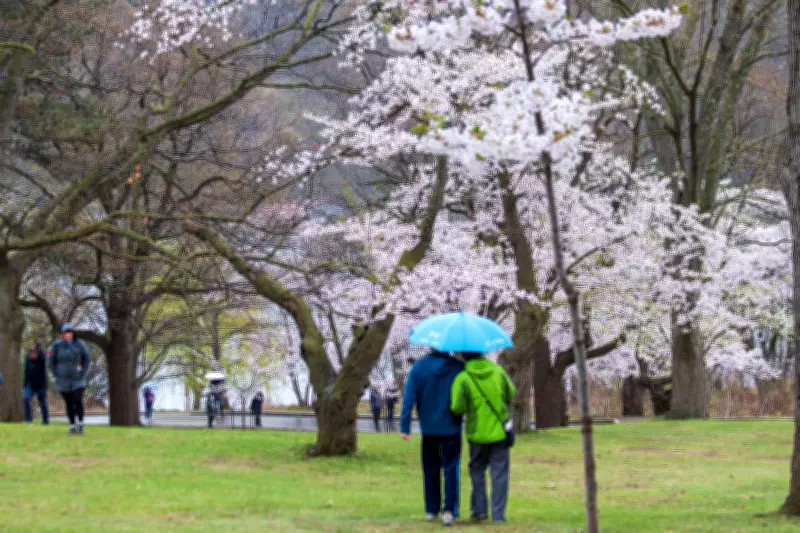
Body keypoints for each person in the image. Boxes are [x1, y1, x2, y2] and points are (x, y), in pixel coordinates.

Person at [450, 351, 517, 524]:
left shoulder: (463, 377)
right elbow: (511, 393)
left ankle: (479, 510)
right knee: (499, 474)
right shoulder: (498, 371)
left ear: (464, 356)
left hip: (476, 433)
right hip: (499, 433)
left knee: (477, 471)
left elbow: (457, 407)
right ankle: (498, 515)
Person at [400, 349, 464, 527]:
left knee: (430, 469)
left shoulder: (419, 367)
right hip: (451, 427)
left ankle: (431, 509)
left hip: (428, 429)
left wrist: (405, 426)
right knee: (451, 469)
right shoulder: (458, 367)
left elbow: (408, 398)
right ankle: (449, 510)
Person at [49, 324, 92, 435]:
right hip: (62, 379)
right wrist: (55, 373)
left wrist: (82, 371)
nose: (68, 335)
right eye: (65, 333)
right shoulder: (57, 346)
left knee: (77, 400)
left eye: (70, 332)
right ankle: (72, 425)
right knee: (68, 403)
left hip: (77, 378)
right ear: (63, 334)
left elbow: (87, 357)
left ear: (73, 333)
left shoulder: (80, 344)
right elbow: (51, 361)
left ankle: (81, 423)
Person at [23, 344, 49, 425]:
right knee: (25, 398)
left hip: (41, 385)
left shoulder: (41, 359)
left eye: (34, 353)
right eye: (31, 354)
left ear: (37, 354)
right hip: (30, 384)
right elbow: (26, 372)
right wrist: (25, 385)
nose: (32, 355)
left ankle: (45, 421)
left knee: (43, 403)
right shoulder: (28, 359)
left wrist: (39, 349)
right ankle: (28, 420)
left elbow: (44, 358)